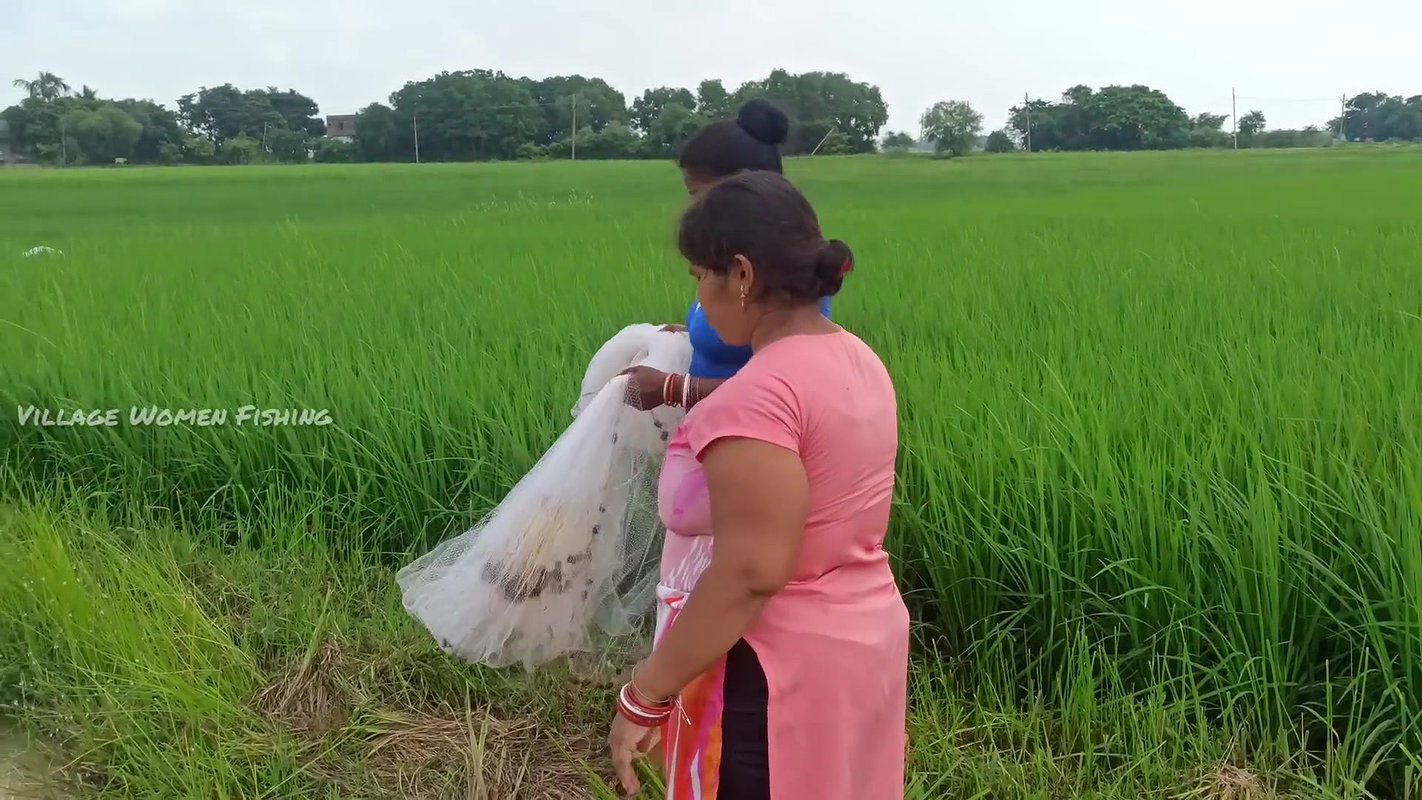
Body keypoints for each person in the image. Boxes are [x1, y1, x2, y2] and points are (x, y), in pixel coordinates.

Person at [607, 170, 909, 800]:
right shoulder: (859, 358)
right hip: (867, 641)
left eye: (699, 278)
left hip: (776, 668)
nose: (698, 300)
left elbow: (751, 573)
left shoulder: (751, 401)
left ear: (740, 276)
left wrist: (646, 693)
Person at [623, 99, 839, 411]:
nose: (695, 209)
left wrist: (676, 389)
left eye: (699, 194)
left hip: (753, 446)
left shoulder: (787, 268)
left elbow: (789, 388)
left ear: (744, 184)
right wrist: (689, 332)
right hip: (715, 435)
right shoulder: (731, 258)